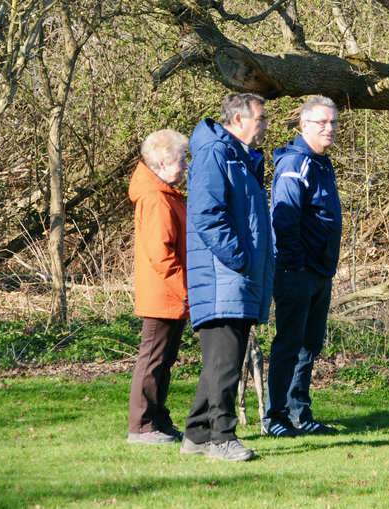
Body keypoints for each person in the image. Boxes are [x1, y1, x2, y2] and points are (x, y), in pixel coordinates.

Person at [180, 93, 274, 461]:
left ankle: (197, 434)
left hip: (236, 277)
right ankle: (222, 438)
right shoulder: (216, 155)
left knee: (223, 362)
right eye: (261, 118)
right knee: (225, 364)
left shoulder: (241, 159)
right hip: (223, 277)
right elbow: (207, 214)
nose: (266, 124)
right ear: (238, 120)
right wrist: (240, 258)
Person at [262, 95, 342, 437]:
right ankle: (275, 416)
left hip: (321, 272)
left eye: (333, 122)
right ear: (304, 125)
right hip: (296, 271)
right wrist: (294, 265)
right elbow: (285, 218)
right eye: (322, 122)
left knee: (310, 344)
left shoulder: (323, 164)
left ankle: (299, 411)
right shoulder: (296, 164)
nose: (329, 128)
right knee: (289, 344)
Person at [127, 129, 190, 444]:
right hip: (163, 294)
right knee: (153, 360)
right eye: (182, 159)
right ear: (164, 162)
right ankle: (141, 425)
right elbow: (162, 255)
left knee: (164, 362)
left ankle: (158, 420)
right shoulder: (155, 199)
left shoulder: (166, 194)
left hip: (170, 294)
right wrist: (186, 291)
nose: (186, 165)